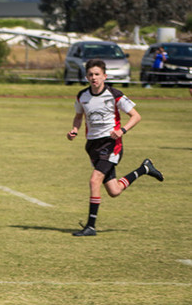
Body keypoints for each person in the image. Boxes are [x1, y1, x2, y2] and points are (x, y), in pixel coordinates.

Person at [67, 59, 164, 237]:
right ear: (86, 76)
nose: (94, 77)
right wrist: (74, 130)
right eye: (90, 74)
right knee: (114, 191)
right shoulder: (82, 96)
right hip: (92, 145)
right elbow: (78, 117)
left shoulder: (114, 94)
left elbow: (136, 116)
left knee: (94, 181)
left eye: (97, 74)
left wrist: (122, 130)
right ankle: (144, 169)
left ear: (104, 76)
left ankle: (90, 226)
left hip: (111, 144)